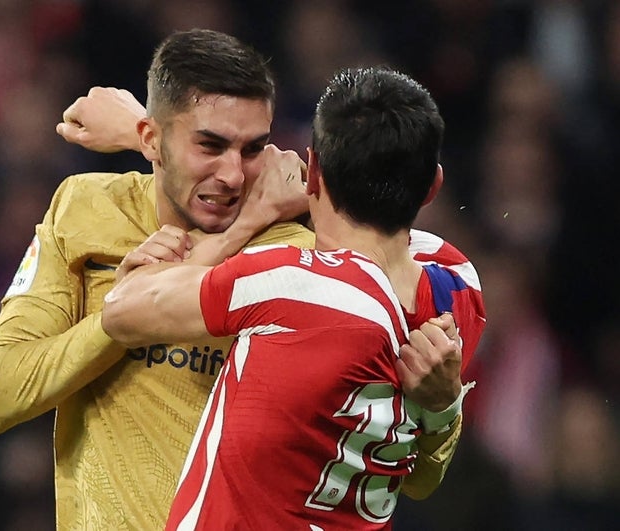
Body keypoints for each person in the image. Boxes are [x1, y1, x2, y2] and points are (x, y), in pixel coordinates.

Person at [0, 29, 471, 529]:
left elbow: (406, 471)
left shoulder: (302, 261)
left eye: (253, 149)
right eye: (210, 145)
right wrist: (115, 320)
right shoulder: (85, 207)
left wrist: (442, 410)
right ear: (151, 139)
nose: (233, 175)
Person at [101, 66, 486, 529]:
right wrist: (444, 407)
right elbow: (420, 481)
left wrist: (252, 214)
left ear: (314, 171)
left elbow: (121, 310)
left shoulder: (294, 285)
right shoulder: (459, 288)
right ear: (433, 187)